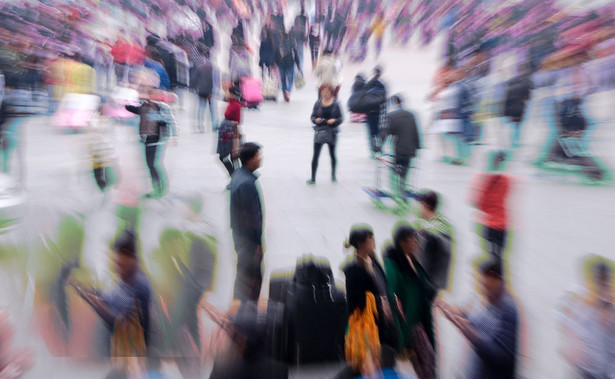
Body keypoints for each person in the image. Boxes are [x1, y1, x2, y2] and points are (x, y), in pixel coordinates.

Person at [70, 230, 152, 378]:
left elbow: (121, 321)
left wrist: (94, 302)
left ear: (131, 257)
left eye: (119, 263)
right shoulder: (127, 281)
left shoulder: (139, 285)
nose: (115, 267)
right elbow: (110, 298)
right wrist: (89, 292)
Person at [437, 257, 519, 379]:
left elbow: (501, 356)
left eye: (485, 284)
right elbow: (479, 322)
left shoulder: (508, 310)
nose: (482, 288)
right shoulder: (490, 299)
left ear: (496, 279)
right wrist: (456, 312)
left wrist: (466, 329)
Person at [339, 225, 398, 378]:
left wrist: (389, 300)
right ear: (360, 244)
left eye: (373, 238)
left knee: (377, 361)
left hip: (381, 321)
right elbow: (355, 302)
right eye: (370, 239)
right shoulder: (353, 270)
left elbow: (382, 286)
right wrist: (379, 302)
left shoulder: (373, 259)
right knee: (361, 365)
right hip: (366, 325)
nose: (374, 242)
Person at [384, 225, 436, 378]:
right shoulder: (392, 264)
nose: (415, 242)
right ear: (402, 242)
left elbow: (423, 283)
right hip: (406, 326)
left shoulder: (412, 258)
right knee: (416, 363)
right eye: (412, 239)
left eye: (415, 239)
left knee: (428, 360)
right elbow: (390, 293)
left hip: (419, 321)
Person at [559, 259, 615, 379]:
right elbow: (577, 341)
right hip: (590, 371)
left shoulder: (607, 308)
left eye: (604, 280)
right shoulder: (586, 309)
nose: (602, 285)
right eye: (599, 280)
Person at [126, 88, 178, 199]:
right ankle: (158, 186)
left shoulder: (162, 108)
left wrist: (174, 135)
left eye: (158, 94)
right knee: (150, 164)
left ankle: (159, 187)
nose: (156, 96)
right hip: (146, 139)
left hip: (155, 139)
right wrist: (124, 103)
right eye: (154, 94)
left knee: (152, 164)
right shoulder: (144, 106)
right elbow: (133, 109)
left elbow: (170, 121)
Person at [230, 142, 264, 303]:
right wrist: (257, 243)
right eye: (258, 155)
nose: (260, 158)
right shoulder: (246, 184)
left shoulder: (239, 175)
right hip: (247, 240)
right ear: (250, 159)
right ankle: (246, 308)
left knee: (244, 273)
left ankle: (241, 305)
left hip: (241, 236)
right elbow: (252, 218)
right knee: (251, 276)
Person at [470, 151, 511, 265]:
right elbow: (505, 195)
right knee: (500, 257)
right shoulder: (506, 180)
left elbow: (476, 202)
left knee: (491, 255)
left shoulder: (483, 180)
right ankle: (499, 276)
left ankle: (491, 274)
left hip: (488, 224)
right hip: (503, 224)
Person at [380, 95, 422, 198]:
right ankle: (402, 186)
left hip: (399, 148)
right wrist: (418, 145)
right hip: (411, 149)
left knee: (396, 168)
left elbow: (385, 133)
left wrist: (378, 146)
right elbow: (416, 131)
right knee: (405, 168)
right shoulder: (411, 114)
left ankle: (398, 190)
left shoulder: (391, 116)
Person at [415, 191, 454, 296]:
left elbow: (420, 256)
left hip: (426, 281)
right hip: (436, 280)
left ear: (425, 205)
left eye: (420, 205)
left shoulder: (427, 229)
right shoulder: (444, 223)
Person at [307, 85, 343, 185]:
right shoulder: (318, 103)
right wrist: (315, 120)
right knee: (315, 155)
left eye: (327, 92)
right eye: (323, 92)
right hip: (320, 131)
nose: (325, 94)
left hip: (332, 132)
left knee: (332, 154)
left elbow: (341, 118)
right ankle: (313, 178)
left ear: (331, 93)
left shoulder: (336, 104)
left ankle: (333, 175)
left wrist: (334, 121)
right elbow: (312, 117)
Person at [217, 85, 243, 184]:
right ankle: (234, 177)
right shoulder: (232, 103)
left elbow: (237, 121)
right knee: (231, 157)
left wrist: (235, 135)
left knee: (232, 156)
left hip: (231, 133)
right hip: (227, 132)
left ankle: (235, 178)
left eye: (227, 92)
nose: (226, 93)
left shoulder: (235, 105)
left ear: (232, 94)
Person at [190, 46, 217, 133]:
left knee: (201, 107)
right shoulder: (213, 67)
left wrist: (192, 87)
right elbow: (214, 80)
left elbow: (194, 79)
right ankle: (214, 125)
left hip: (201, 90)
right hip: (210, 90)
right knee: (212, 109)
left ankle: (200, 126)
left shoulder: (200, 66)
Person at [365, 66, 387, 155]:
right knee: (379, 130)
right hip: (378, 111)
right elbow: (384, 98)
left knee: (371, 130)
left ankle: (372, 147)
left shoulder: (368, 84)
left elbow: (364, 97)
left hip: (369, 111)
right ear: (380, 73)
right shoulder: (382, 85)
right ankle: (379, 147)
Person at [276, 31, 302, 102]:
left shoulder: (279, 44)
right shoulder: (292, 44)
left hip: (281, 64)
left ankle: (285, 94)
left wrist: (277, 64)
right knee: (290, 80)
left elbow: (276, 55)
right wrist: (298, 65)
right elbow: (296, 55)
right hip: (290, 63)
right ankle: (288, 91)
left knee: (283, 80)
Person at [293, 7, 309, 72]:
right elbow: (305, 38)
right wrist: (306, 41)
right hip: (300, 44)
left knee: (296, 57)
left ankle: (295, 70)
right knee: (301, 56)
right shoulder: (302, 29)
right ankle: (300, 69)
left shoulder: (294, 29)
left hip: (295, 44)